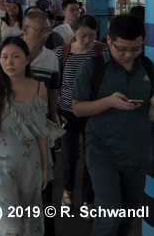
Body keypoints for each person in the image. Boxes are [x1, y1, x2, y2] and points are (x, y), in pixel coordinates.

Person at [72, 15, 154, 235]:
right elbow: (78, 108)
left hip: (136, 155)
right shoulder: (92, 67)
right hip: (102, 152)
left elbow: (149, 105)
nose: (129, 55)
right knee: (109, 217)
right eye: (123, 49)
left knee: (127, 219)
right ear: (109, 40)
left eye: (136, 49)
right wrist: (108, 102)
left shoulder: (147, 66)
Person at [0, 37, 62, 235]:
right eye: (4, 57)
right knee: (9, 227)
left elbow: (42, 134)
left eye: (15, 56)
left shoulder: (40, 89)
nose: (9, 62)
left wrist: (45, 169)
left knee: (30, 224)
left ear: (27, 59)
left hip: (31, 168)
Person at [55, 15, 104, 220]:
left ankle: (88, 200)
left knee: (90, 157)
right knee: (69, 155)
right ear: (73, 32)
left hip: (93, 111)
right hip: (67, 111)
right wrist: (54, 110)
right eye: (82, 35)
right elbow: (55, 83)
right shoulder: (62, 52)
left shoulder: (102, 53)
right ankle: (67, 192)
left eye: (91, 36)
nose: (86, 41)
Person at [22, 11, 61, 236]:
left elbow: (53, 92)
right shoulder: (10, 55)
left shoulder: (51, 58)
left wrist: (51, 121)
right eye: (41, 30)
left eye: (48, 30)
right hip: (16, 131)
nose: (46, 34)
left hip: (41, 130)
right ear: (26, 30)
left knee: (45, 179)